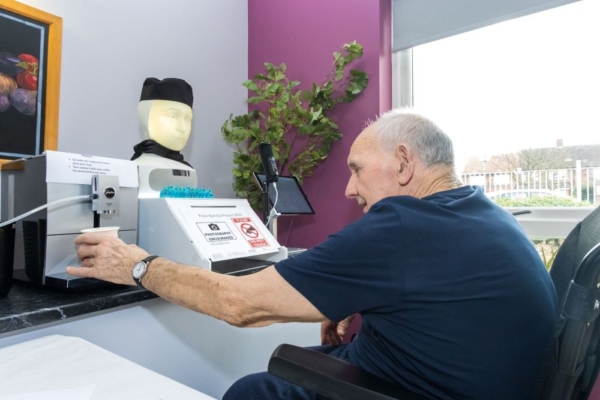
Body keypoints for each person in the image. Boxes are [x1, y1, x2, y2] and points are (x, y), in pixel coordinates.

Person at [67, 109, 558, 400]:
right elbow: (441, 294)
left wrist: (135, 264)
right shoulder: (482, 213)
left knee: (251, 390)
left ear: (404, 163)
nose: (347, 188)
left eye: (357, 169)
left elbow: (239, 304)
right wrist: (354, 298)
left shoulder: (403, 225)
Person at [131, 77, 197, 195]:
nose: (182, 128)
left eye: (187, 118)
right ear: (144, 115)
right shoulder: (134, 169)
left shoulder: (189, 170)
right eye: (172, 116)